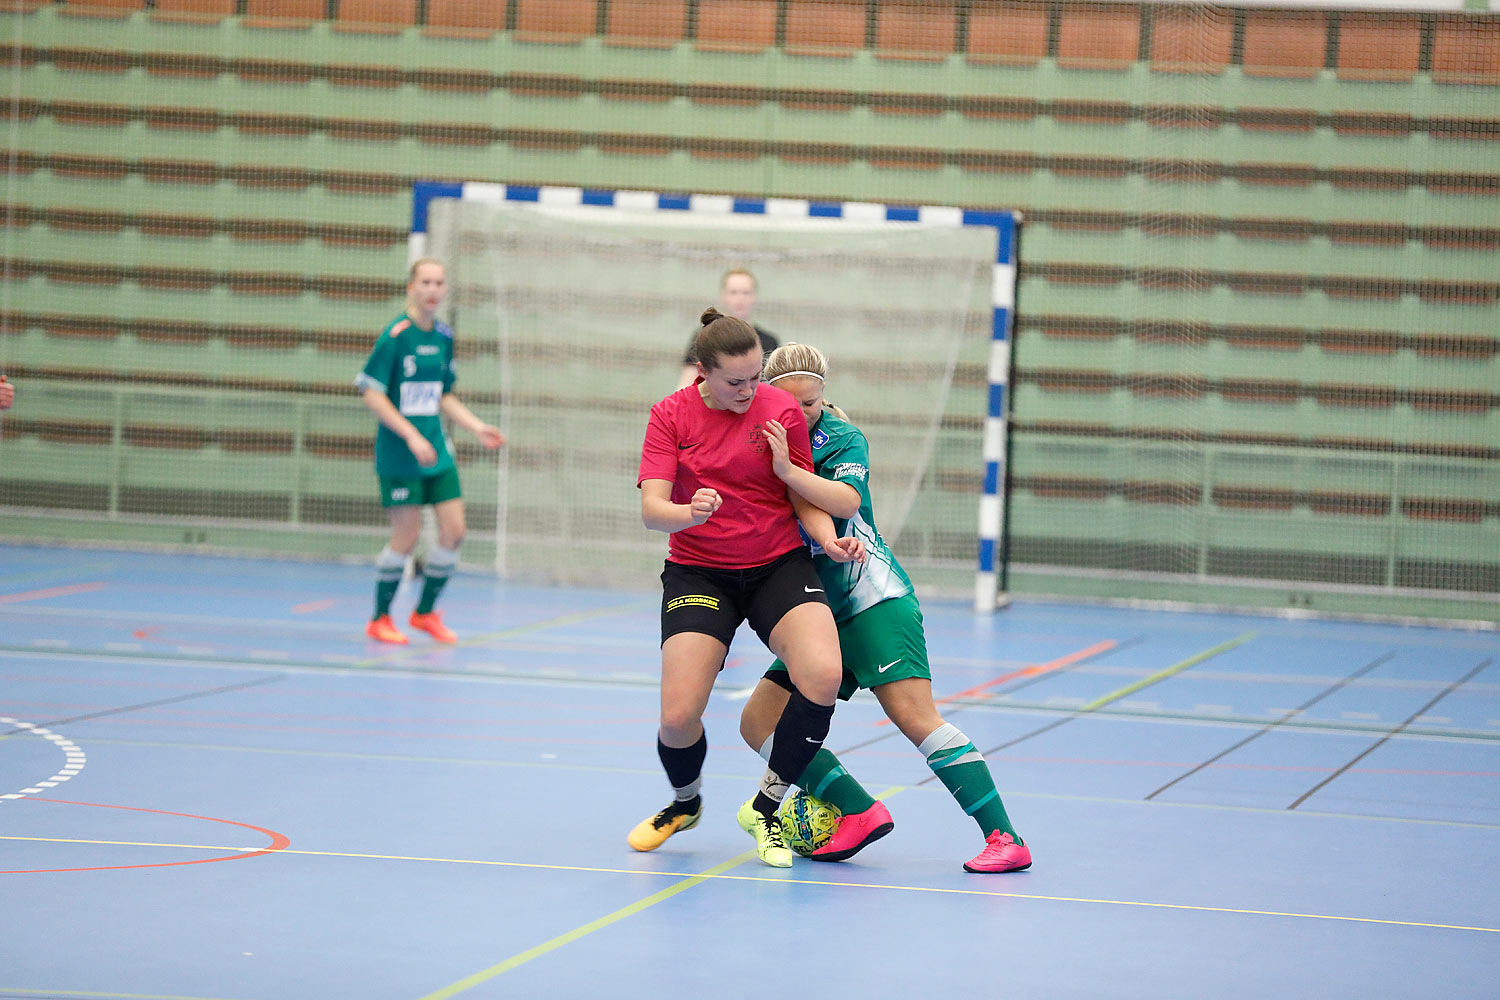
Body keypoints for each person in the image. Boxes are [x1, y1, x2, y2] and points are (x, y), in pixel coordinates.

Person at [739, 343, 1032, 874]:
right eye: (793, 404)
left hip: (873, 603)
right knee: (759, 722)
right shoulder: (756, 440)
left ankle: (1004, 837)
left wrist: (784, 467)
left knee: (917, 718)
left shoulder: (843, 438)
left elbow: (844, 502)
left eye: (813, 403)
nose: (805, 414)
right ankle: (858, 811)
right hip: (816, 615)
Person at [632, 308, 865, 868]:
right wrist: (689, 511)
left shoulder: (779, 409)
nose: (748, 390)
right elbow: (651, 511)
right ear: (702, 372)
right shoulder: (670, 415)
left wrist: (828, 540)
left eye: (756, 376)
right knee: (678, 717)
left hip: (775, 565)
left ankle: (767, 805)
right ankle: (685, 803)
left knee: (823, 674)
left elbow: (801, 496)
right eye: (735, 381)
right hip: (700, 571)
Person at [355, 257, 505, 646]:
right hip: (401, 453)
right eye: (426, 282)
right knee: (406, 537)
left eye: (439, 282)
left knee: (455, 532)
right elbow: (370, 392)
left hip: (436, 450)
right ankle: (380, 618)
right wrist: (410, 435)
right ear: (411, 287)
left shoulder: (443, 335)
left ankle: (424, 613)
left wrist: (475, 426)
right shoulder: (396, 336)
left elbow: (442, 394)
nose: (433, 289)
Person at [675, 268, 778, 390]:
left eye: (746, 293)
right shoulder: (705, 337)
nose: (740, 299)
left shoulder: (769, 342)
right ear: (723, 296)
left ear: (754, 297)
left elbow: (776, 389)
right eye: (733, 292)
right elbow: (686, 383)